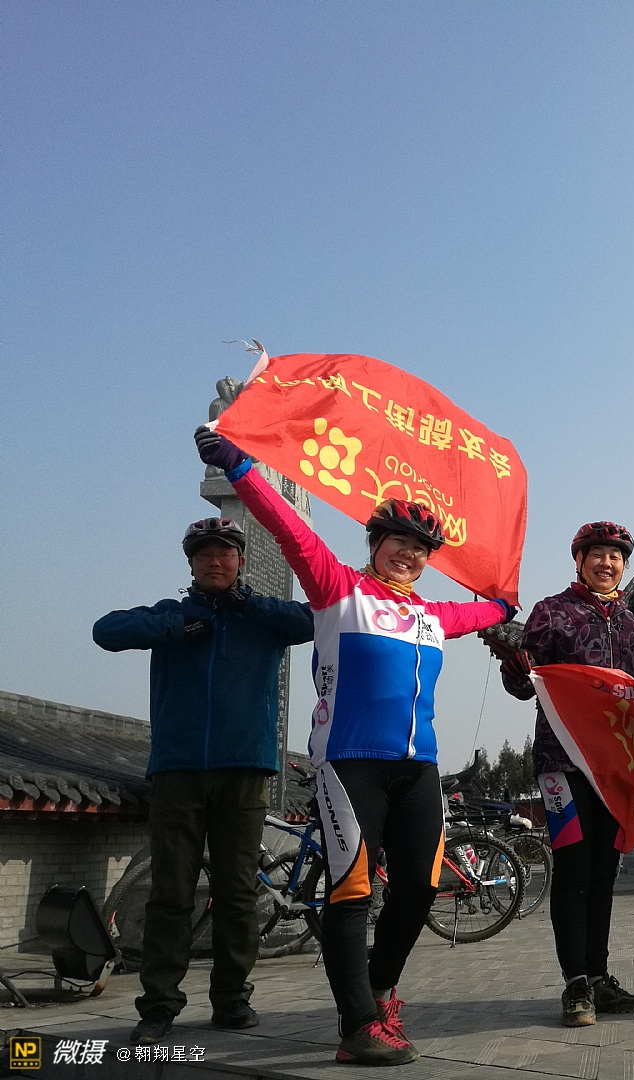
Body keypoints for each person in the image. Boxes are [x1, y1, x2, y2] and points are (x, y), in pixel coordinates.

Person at [194, 426, 514, 1066]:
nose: (409, 554)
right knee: (352, 889)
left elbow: (487, 611)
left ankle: (378, 989)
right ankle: (358, 1026)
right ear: (375, 543)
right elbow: (287, 527)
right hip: (348, 764)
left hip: (418, 769)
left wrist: (505, 605)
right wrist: (237, 464)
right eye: (399, 541)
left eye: (420, 548)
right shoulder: (337, 587)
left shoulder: (432, 615)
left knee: (419, 887)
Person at [94, 517, 313, 1047]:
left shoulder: (262, 618)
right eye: (204, 554)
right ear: (190, 563)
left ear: (240, 561)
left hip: (245, 770)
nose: (216, 561)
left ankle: (232, 998)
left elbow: (311, 620)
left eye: (225, 553)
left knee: (237, 892)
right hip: (178, 770)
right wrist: (175, 627)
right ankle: (158, 1006)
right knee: (170, 892)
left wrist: (248, 605)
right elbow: (106, 630)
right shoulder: (172, 614)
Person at [499, 522, 634, 1028]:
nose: (607, 563)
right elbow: (524, 685)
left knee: (604, 872)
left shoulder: (633, 625)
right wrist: (516, 665)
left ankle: (600, 976)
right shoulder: (551, 613)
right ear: (580, 560)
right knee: (573, 869)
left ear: (624, 566)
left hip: (614, 766)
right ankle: (576, 984)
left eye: (615, 556)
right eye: (597, 554)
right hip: (561, 764)